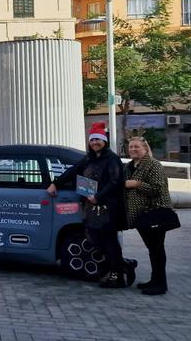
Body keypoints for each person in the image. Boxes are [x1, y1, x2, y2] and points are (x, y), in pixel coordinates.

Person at [48, 122, 131, 288]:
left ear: (104, 141)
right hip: (92, 206)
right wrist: (55, 183)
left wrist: (98, 197)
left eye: (98, 140)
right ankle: (122, 265)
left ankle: (117, 275)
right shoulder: (88, 158)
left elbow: (115, 182)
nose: (95, 143)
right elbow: (72, 172)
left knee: (108, 240)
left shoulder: (112, 159)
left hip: (108, 206)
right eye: (92, 140)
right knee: (93, 237)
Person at [124, 137, 174, 295]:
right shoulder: (129, 166)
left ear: (145, 148)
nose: (133, 149)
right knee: (152, 248)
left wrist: (137, 184)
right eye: (131, 147)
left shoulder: (153, 165)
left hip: (155, 212)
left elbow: (158, 188)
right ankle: (155, 279)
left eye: (137, 147)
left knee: (157, 248)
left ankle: (161, 283)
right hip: (141, 215)